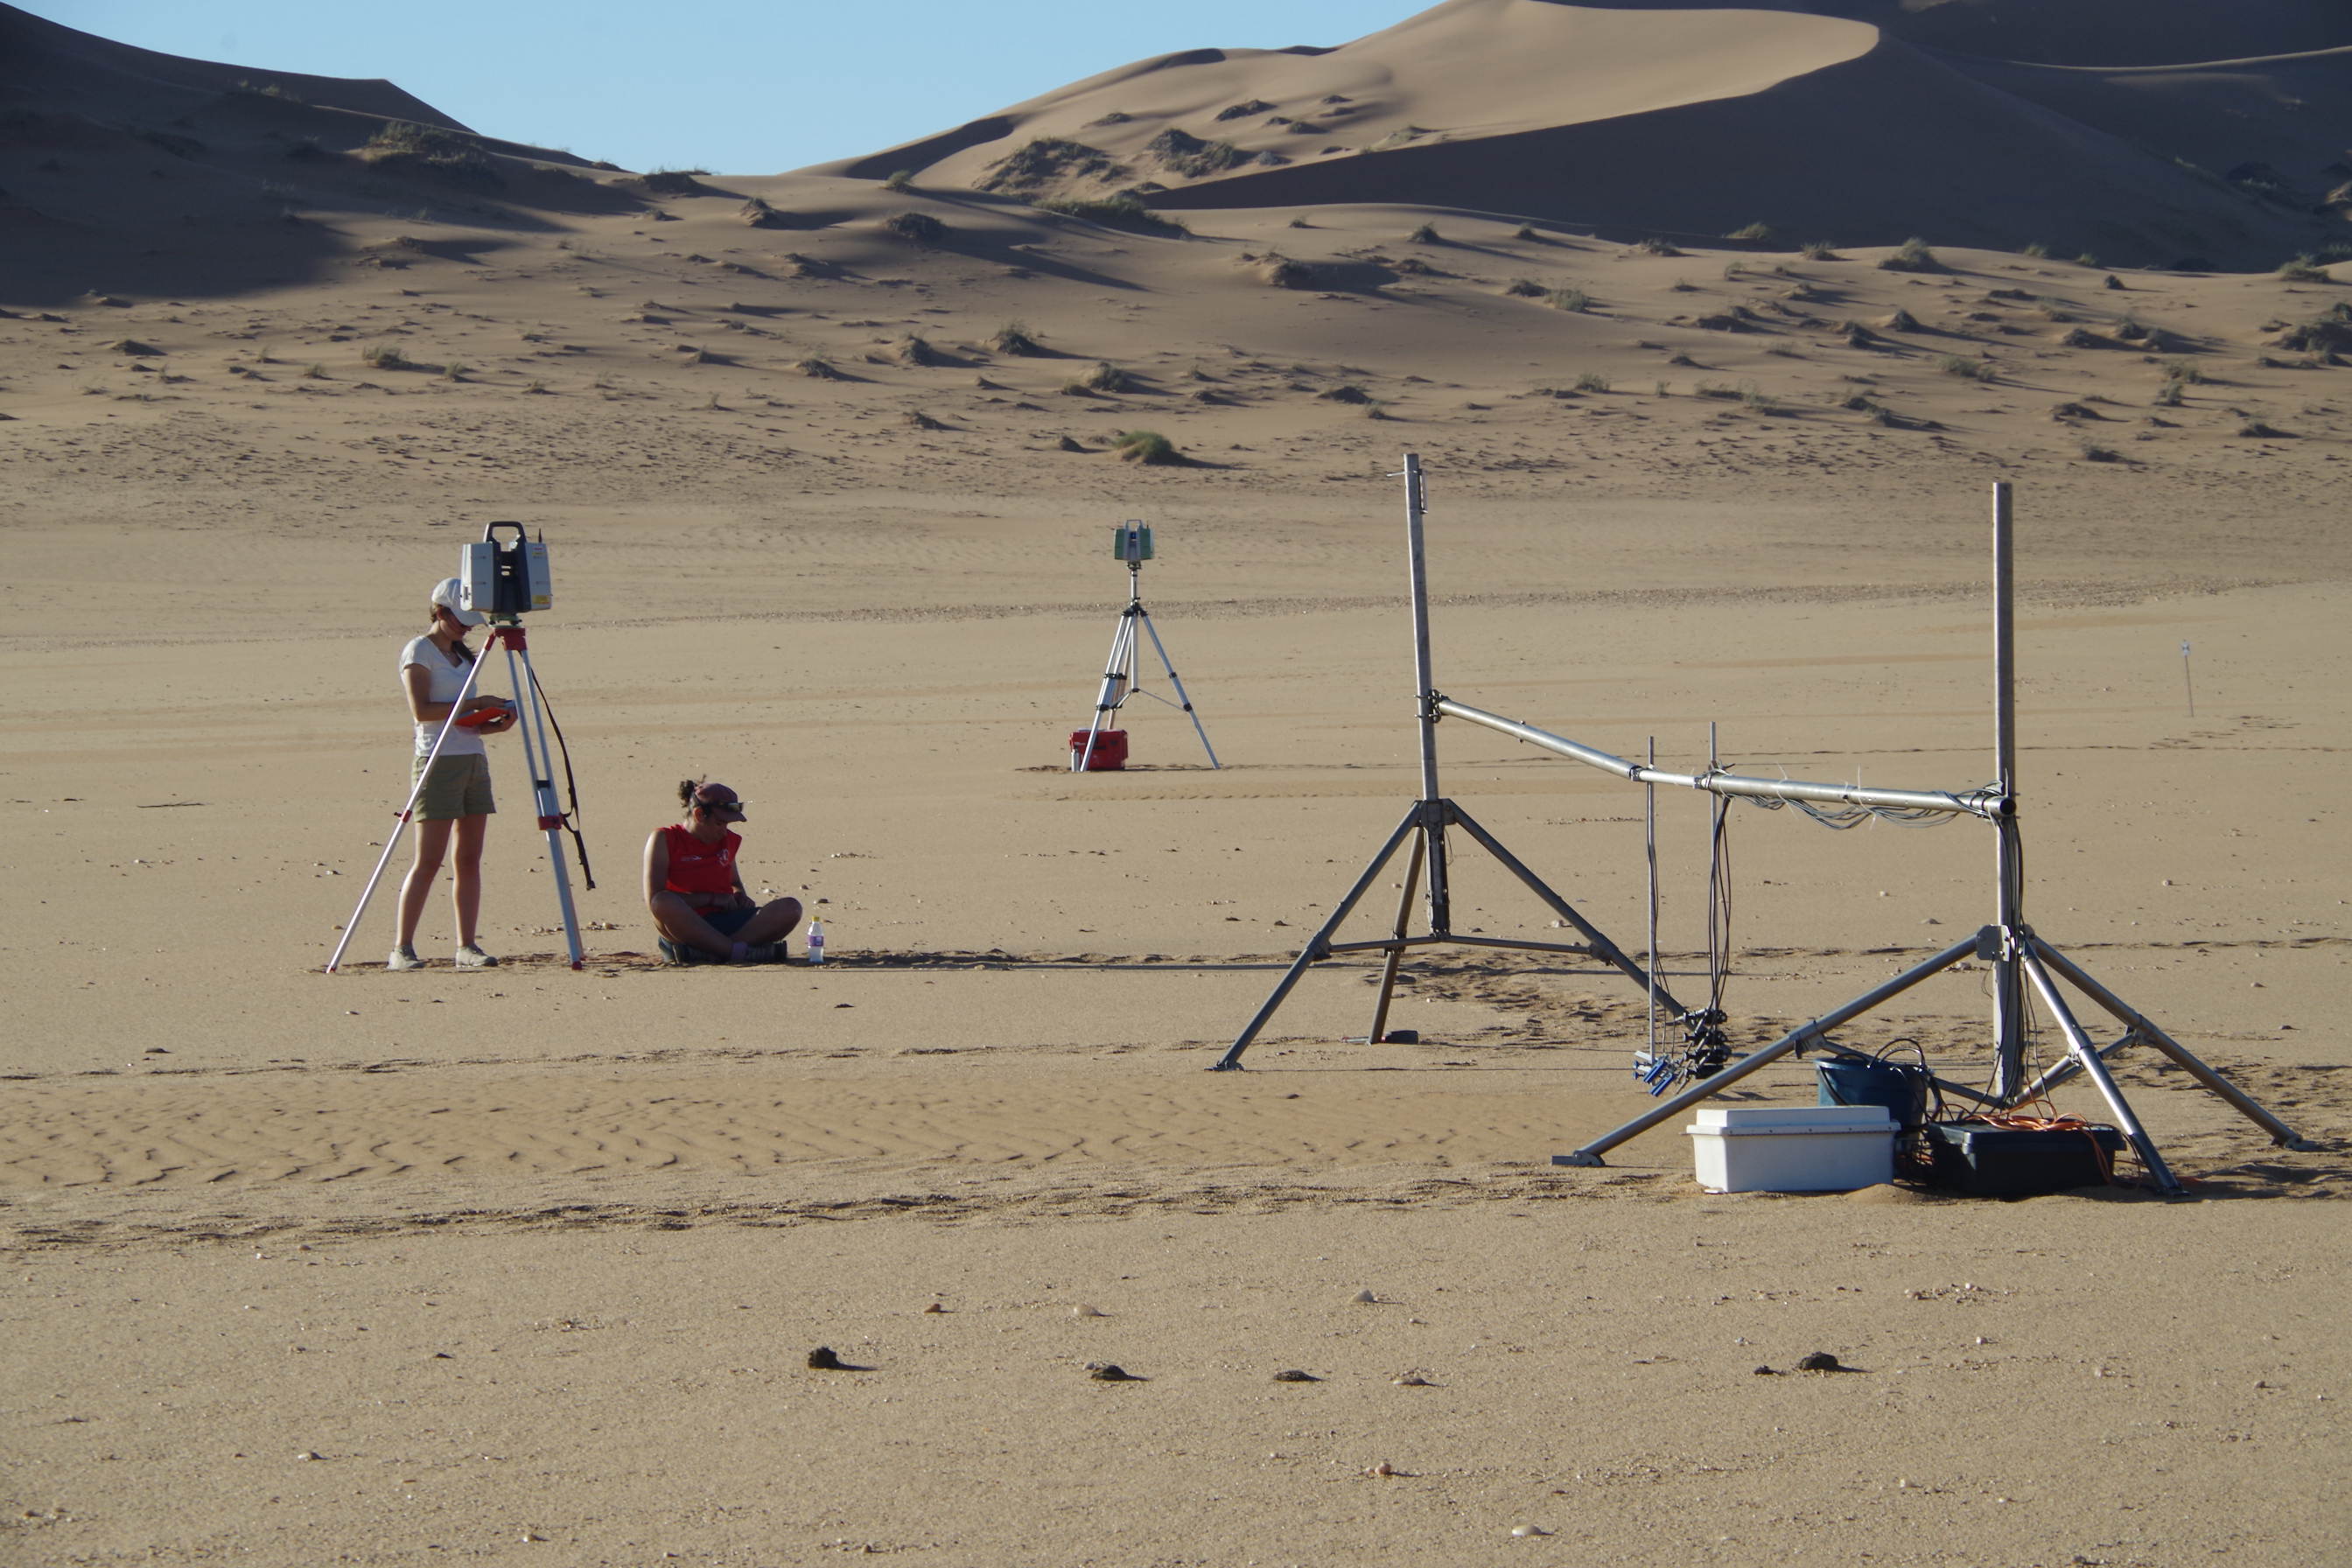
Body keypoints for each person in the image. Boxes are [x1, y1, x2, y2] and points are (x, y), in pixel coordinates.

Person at [389, 578, 516, 971]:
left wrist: (490, 723)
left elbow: (461, 718)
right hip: (437, 761)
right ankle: (402, 948)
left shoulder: (463, 656)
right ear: (440, 612)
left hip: (471, 757)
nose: (465, 626)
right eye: (458, 619)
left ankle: (466, 945)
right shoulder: (419, 651)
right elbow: (422, 711)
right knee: (429, 859)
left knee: (469, 858)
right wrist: (475, 702)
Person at [646, 780, 804, 964]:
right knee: (662, 902)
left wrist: (740, 897)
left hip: (729, 921)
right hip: (685, 924)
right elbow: (654, 899)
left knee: (791, 908)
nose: (724, 831)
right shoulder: (665, 838)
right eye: (720, 823)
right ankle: (734, 952)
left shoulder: (728, 840)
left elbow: (734, 882)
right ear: (699, 814)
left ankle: (713, 951)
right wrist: (711, 899)